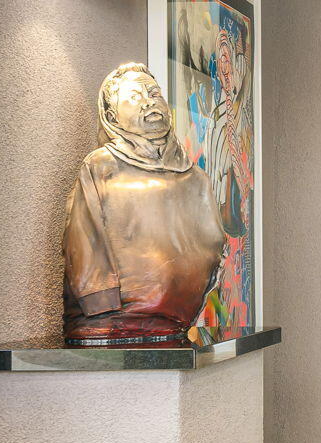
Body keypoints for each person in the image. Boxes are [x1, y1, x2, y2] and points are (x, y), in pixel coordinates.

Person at [63, 63, 223, 346]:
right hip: (111, 329)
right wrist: (101, 304)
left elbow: (213, 248)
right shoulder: (101, 166)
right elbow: (86, 244)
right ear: (112, 116)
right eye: (135, 96)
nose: (149, 101)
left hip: (178, 325)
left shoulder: (196, 178)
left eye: (154, 92)